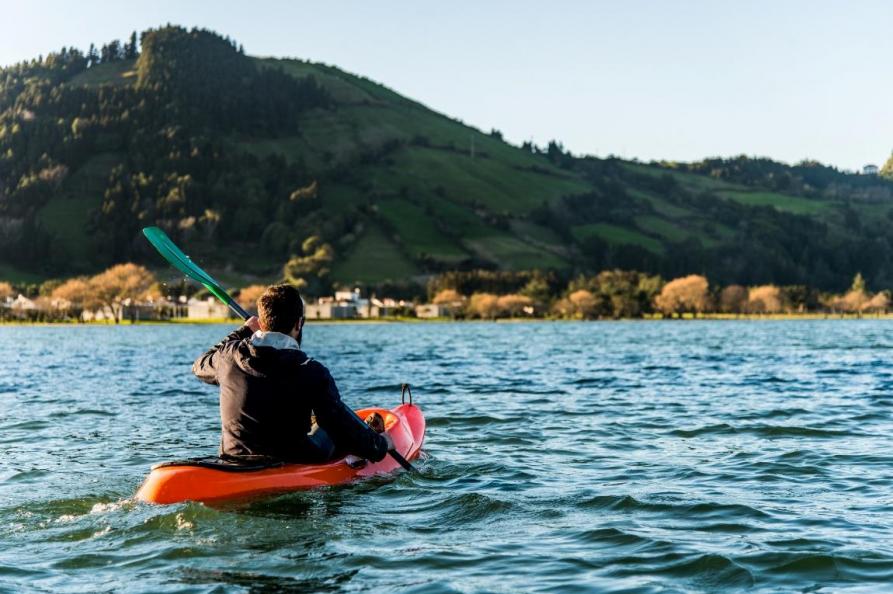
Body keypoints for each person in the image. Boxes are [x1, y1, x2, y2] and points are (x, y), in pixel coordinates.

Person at [192, 284, 392, 463]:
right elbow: (340, 430)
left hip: (233, 457)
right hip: (291, 459)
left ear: (261, 323)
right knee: (331, 425)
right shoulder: (311, 370)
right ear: (299, 323)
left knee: (328, 419)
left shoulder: (228, 356)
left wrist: (242, 332)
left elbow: (199, 365)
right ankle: (371, 436)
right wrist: (381, 445)